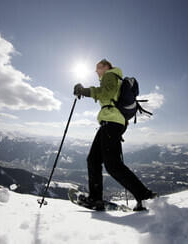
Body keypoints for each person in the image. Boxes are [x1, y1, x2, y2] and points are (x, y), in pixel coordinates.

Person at [73, 59, 157, 211]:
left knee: (112, 165)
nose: (96, 71)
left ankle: (144, 195)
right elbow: (108, 95)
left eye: (98, 67)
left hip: (111, 123)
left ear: (106, 67)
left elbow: (106, 93)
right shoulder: (112, 78)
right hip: (110, 123)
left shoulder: (110, 75)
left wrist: (84, 91)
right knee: (93, 160)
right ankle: (96, 199)